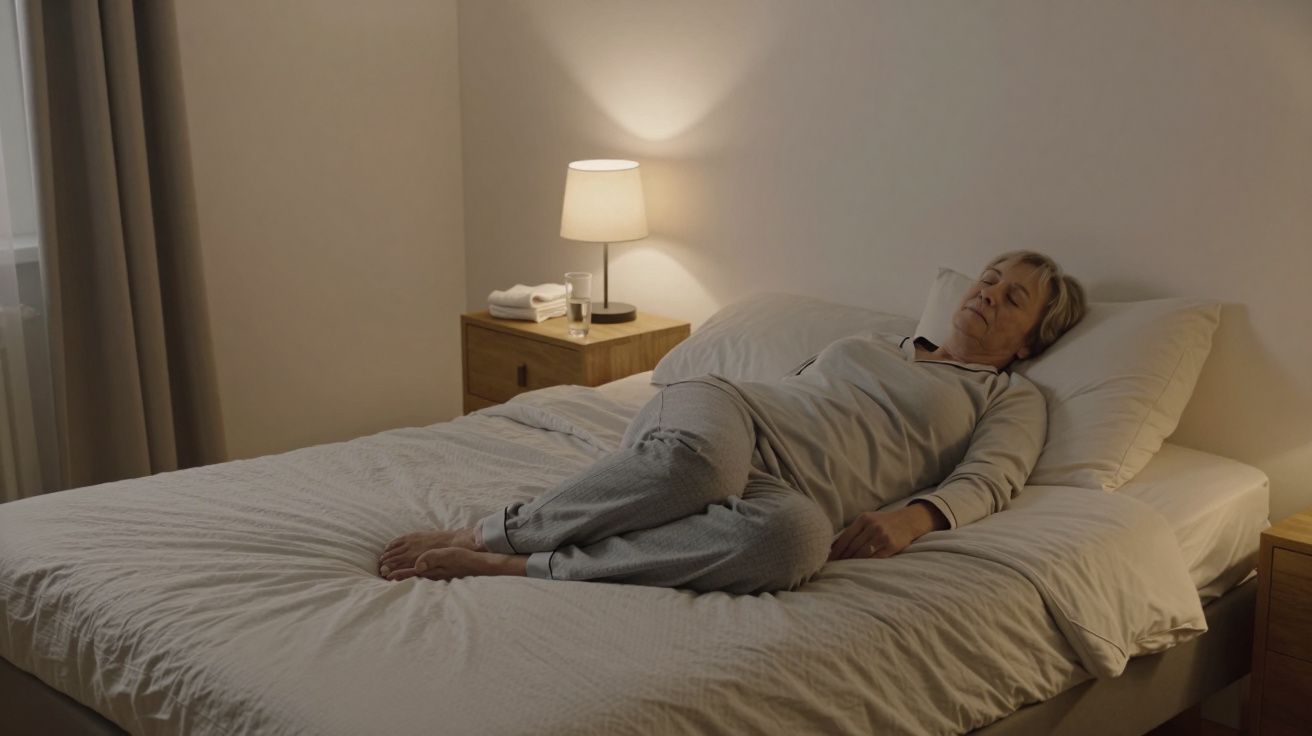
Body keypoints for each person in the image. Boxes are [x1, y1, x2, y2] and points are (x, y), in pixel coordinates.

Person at [379, 251, 1087, 594]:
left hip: (791, 491)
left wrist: (917, 519)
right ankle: (493, 533)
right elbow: (798, 391)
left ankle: (529, 566)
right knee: (702, 466)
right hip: (728, 412)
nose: (989, 294)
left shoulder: (1008, 396)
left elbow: (993, 478)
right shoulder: (877, 342)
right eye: (989, 279)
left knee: (797, 546)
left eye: (1013, 297)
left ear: (1030, 340)